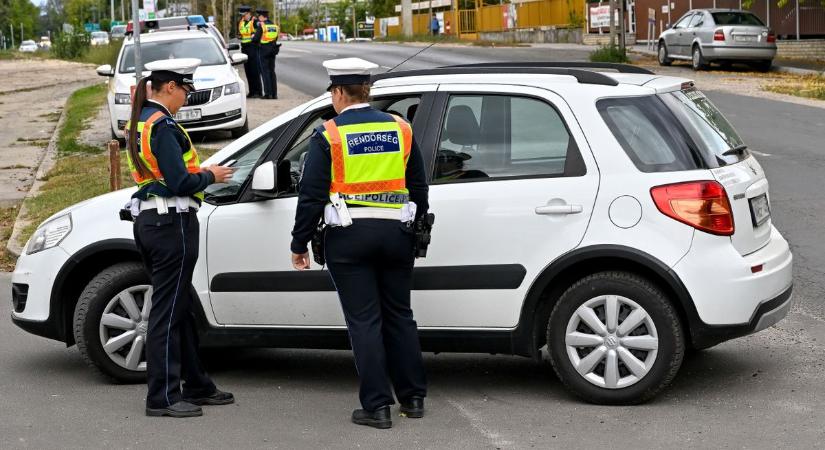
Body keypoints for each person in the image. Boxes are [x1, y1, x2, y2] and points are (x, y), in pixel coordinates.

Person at [290, 58, 429, 429]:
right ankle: (413, 398)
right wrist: (417, 227)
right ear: (366, 91)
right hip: (397, 235)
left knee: (364, 321)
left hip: (349, 239)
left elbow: (311, 195)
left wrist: (299, 243)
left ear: (338, 92)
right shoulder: (402, 128)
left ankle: (378, 406)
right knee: (400, 315)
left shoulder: (329, 135)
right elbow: (419, 186)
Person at [124, 58, 236, 418]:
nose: (186, 98)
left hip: (154, 223)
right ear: (169, 87)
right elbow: (179, 181)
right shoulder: (163, 126)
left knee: (181, 307)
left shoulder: (142, 121)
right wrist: (210, 176)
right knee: (168, 314)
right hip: (171, 224)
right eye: (185, 91)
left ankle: (197, 384)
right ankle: (163, 397)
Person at [238, 5, 263, 98]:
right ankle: (252, 91)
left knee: (254, 70)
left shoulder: (255, 21)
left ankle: (258, 92)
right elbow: (242, 33)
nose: (242, 16)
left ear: (248, 13)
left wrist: (254, 35)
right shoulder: (241, 22)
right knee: (248, 70)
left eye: (244, 14)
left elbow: (259, 32)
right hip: (244, 47)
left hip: (253, 47)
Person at [256, 8, 279, 100]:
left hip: (264, 51)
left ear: (262, 17)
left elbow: (256, 39)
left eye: (259, 16)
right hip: (273, 50)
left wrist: (254, 38)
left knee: (265, 72)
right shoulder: (274, 26)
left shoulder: (262, 26)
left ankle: (268, 94)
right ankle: (274, 94)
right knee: (272, 72)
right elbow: (275, 38)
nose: (258, 18)